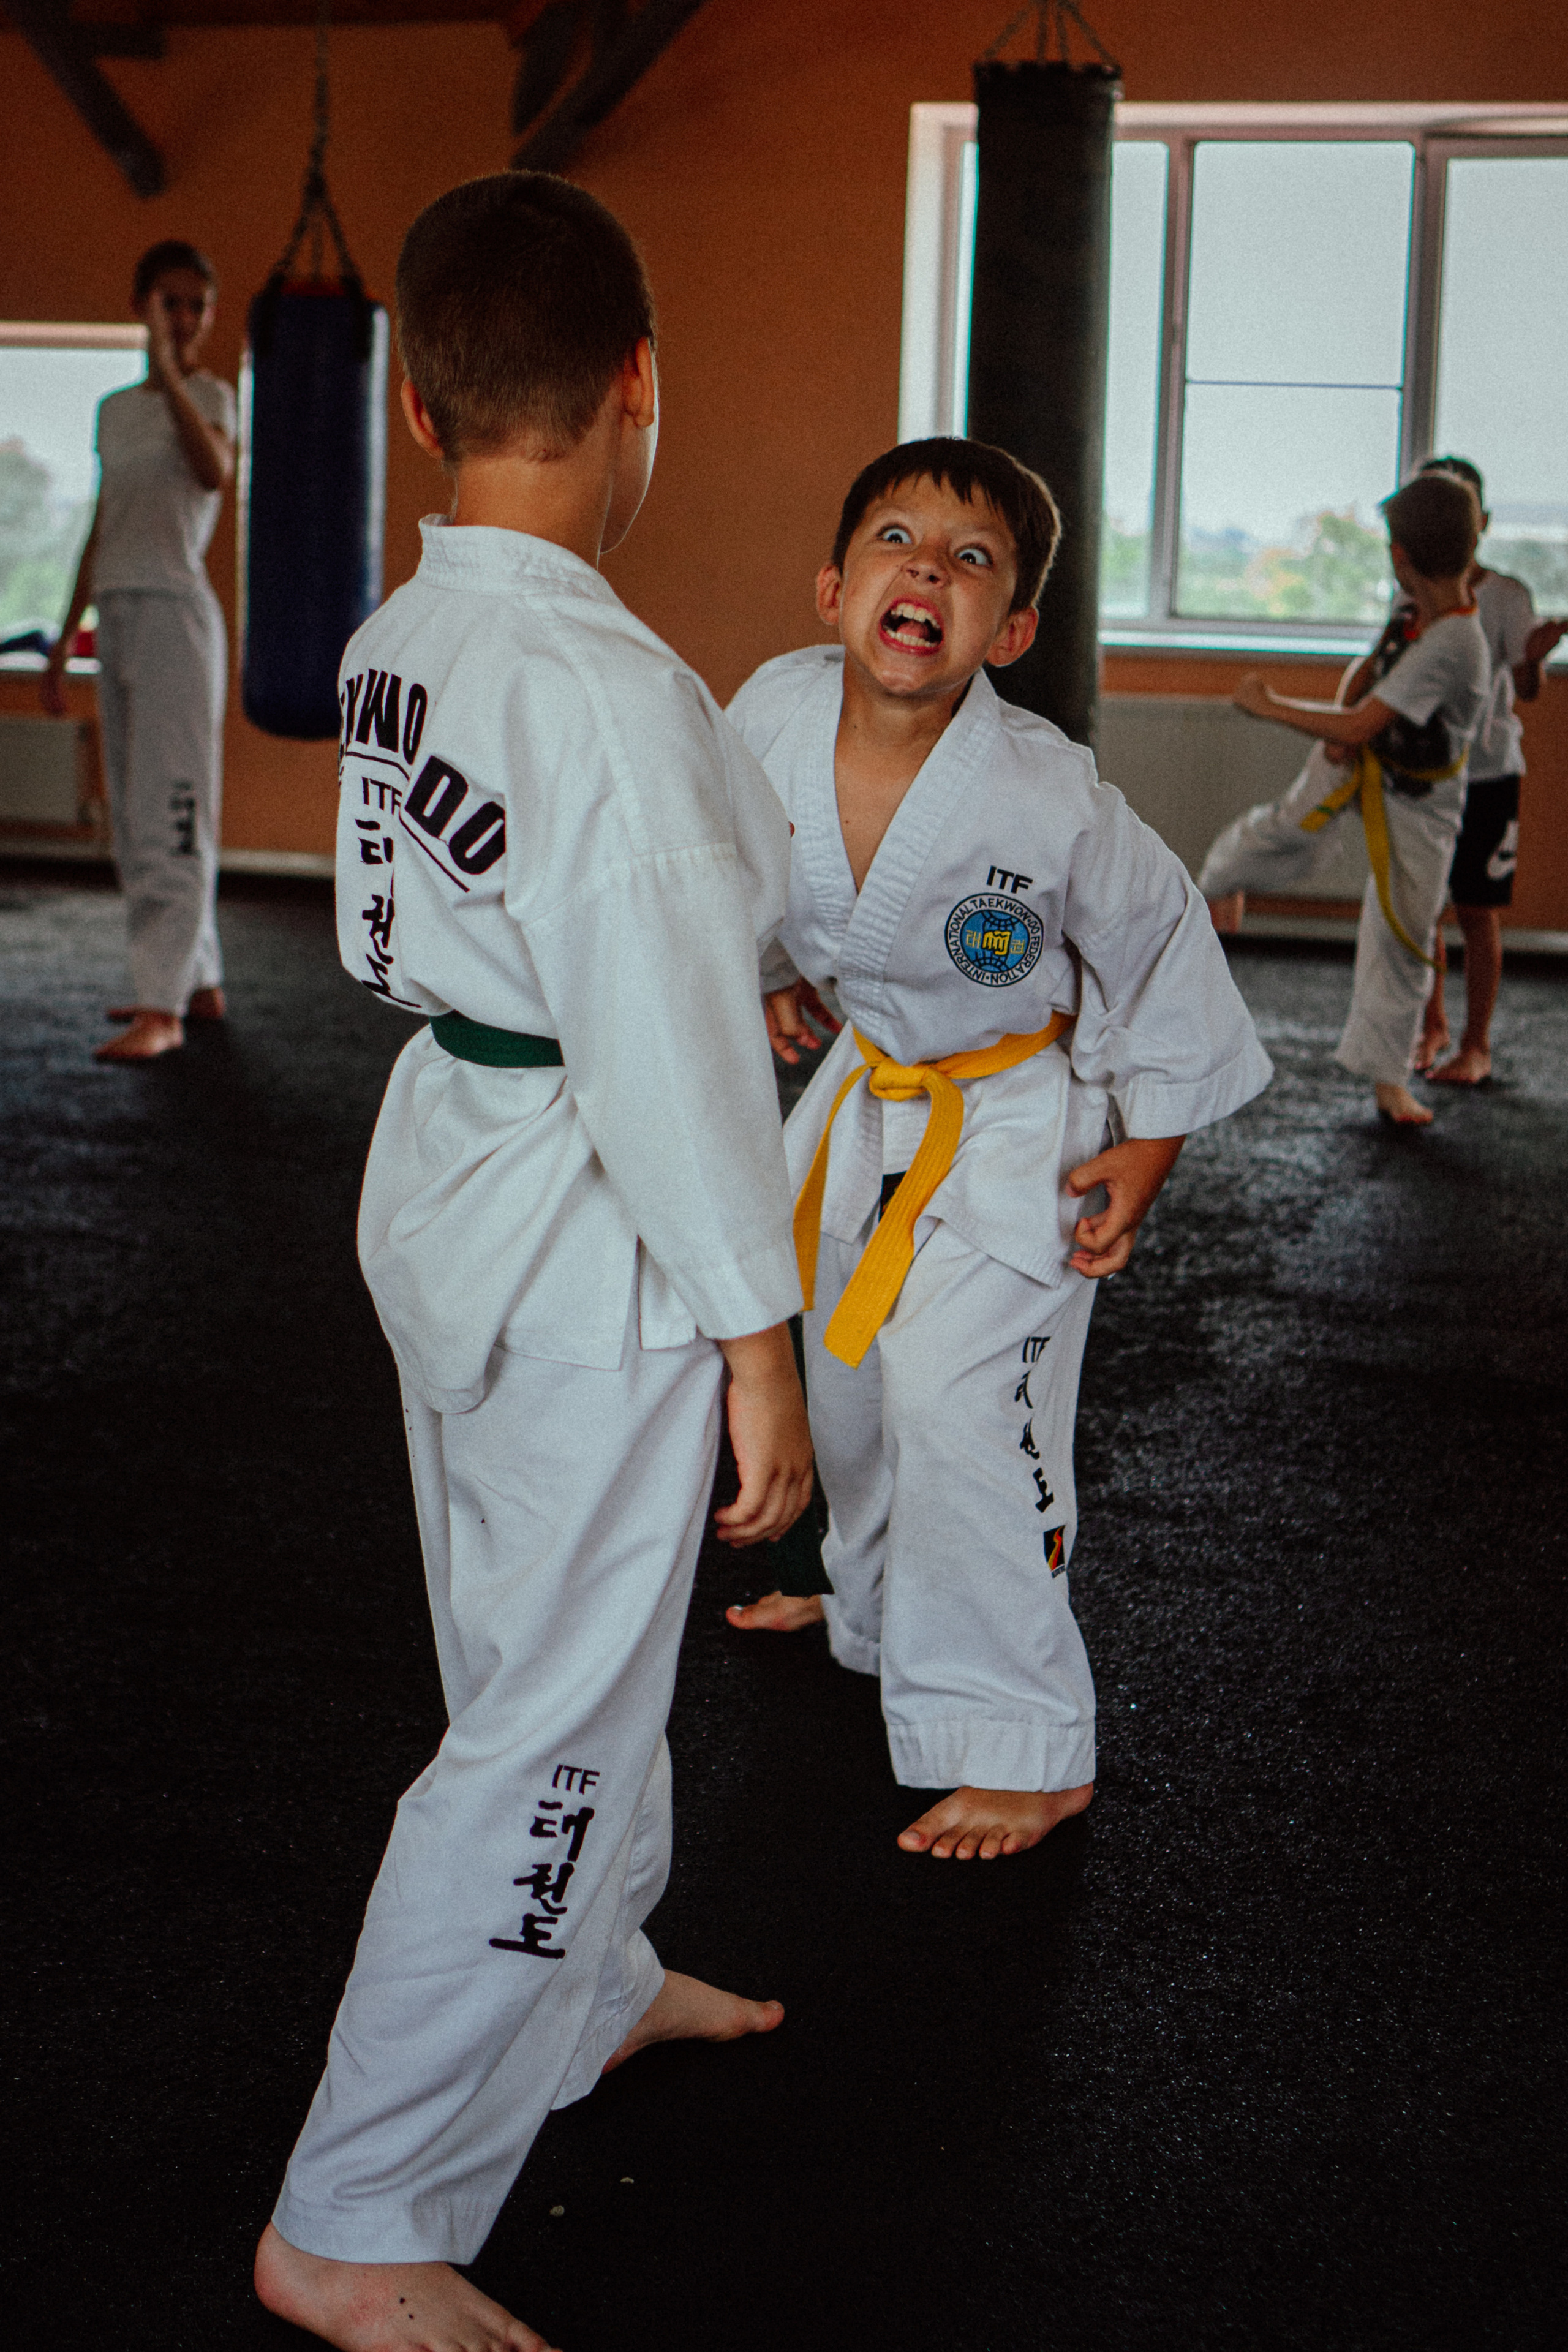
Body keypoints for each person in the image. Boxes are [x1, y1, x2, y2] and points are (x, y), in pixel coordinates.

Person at [254, 175, 813, 2352]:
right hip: (594, 1214)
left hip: (454, 1152)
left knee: (537, 1638)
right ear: (638, 390)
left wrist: (682, 961)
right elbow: (670, 1059)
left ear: (411, 411)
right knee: (546, 1719)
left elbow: (543, 927)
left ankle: (578, 1982)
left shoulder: (401, 631)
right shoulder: (615, 692)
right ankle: (354, 2210)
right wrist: (760, 1349)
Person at [724, 437, 1271, 1864]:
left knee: (968, 1405)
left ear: (1008, 631)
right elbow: (739, 866)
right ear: (833, 584)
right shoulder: (768, 714)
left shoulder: (1043, 789)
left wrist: (1146, 1147)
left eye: (970, 561)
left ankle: (1026, 1741)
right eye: (897, 541)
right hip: (865, 1086)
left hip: (1014, 1115)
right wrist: (779, 964)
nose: (927, 572)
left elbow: (1154, 940)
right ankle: (860, 1603)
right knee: (840, 1385)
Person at [1199, 471, 1489, 1127]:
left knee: (1403, 932)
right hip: (1361, 758)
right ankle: (1217, 882)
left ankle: (1388, 1081)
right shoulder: (1418, 608)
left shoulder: (1455, 641)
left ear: (1400, 556)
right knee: (1288, 831)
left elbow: (1361, 726)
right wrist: (1344, 710)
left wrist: (1268, 705)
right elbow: (1368, 674)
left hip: (1421, 798)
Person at [43, 240, 235, 1062]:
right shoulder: (115, 412)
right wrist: (62, 637)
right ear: (142, 302)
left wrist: (169, 370)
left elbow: (214, 473)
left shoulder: (213, 397)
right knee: (133, 811)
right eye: (170, 301)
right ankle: (196, 981)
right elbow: (102, 523)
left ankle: (163, 1009)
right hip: (117, 614)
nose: (185, 317)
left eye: (197, 304)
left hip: (175, 620)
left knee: (175, 810)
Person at [1409, 456, 1566, 1084]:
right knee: (1420, 911)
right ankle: (1429, 1029)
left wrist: (1533, 659)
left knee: (1475, 911)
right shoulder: (1409, 591)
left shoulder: (1505, 595)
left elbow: (1526, 687)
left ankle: (1475, 1045)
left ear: (1482, 522)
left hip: (1489, 775)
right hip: (1425, 775)